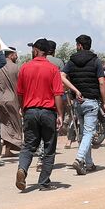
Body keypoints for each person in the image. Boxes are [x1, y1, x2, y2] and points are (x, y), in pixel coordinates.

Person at [14, 39, 65, 191]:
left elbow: (20, 93)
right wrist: (60, 114)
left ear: (36, 50)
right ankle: (44, 182)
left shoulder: (24, 68)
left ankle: (22, 169)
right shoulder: (53, 69)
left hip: (30, 111)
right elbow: (58, 94)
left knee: (29, 146)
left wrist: (23, 109)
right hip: (48, 112)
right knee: (49, 147)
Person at [61, 34, 105, 175]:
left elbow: (61, 76)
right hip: (91, 101)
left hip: (78, 102)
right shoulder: (96, 61)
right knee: (88, 133)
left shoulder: (71, 62)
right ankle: (79, 158)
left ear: (80, 45)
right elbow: (101, 82)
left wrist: (74, 90)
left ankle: (89, 163)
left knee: (84, 133)